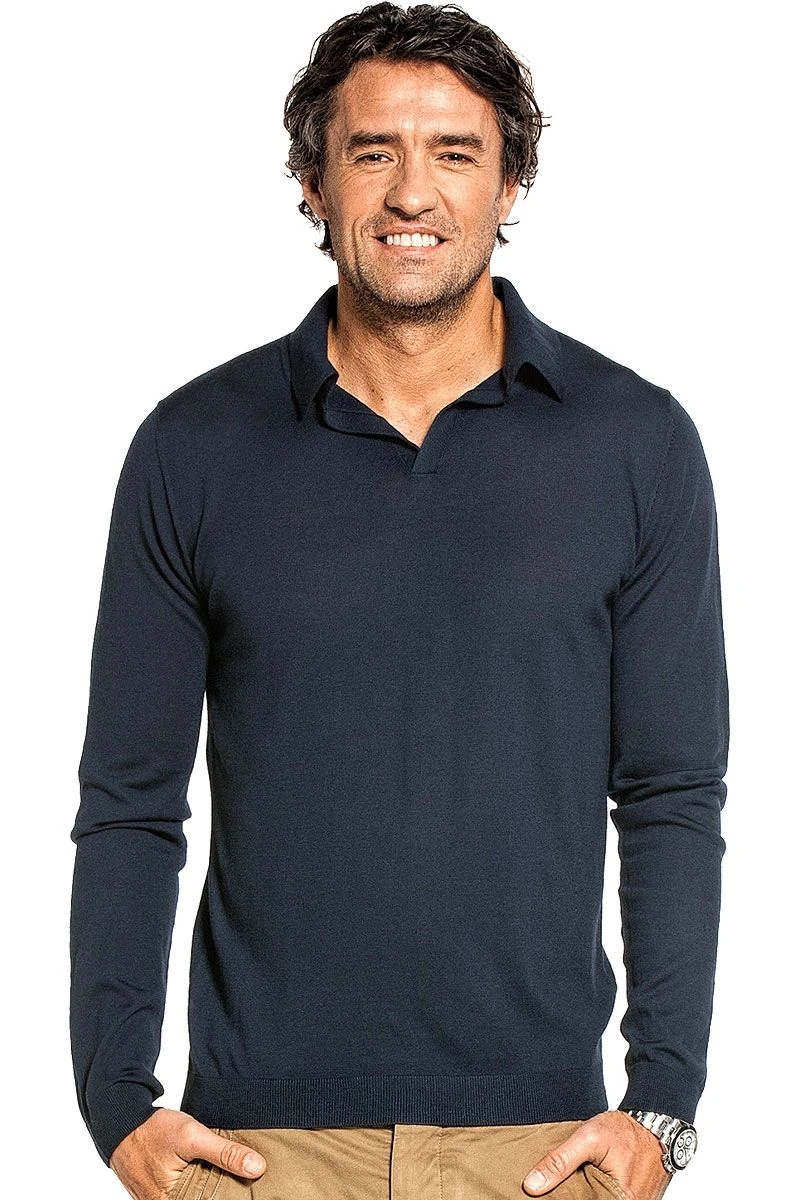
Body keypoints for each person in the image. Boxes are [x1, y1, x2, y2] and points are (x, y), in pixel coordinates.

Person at [69, 4, 729, 1198]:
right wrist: (115, 1102)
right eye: (371, 152)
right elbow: (130, 800)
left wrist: (661, 1109)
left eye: (454, 154)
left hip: (541, 1148)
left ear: (509, 183)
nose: (411, 192)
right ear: (313, 184)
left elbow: (670, 792)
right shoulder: (192, 448)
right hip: (256, 1151)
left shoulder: (634, 444)